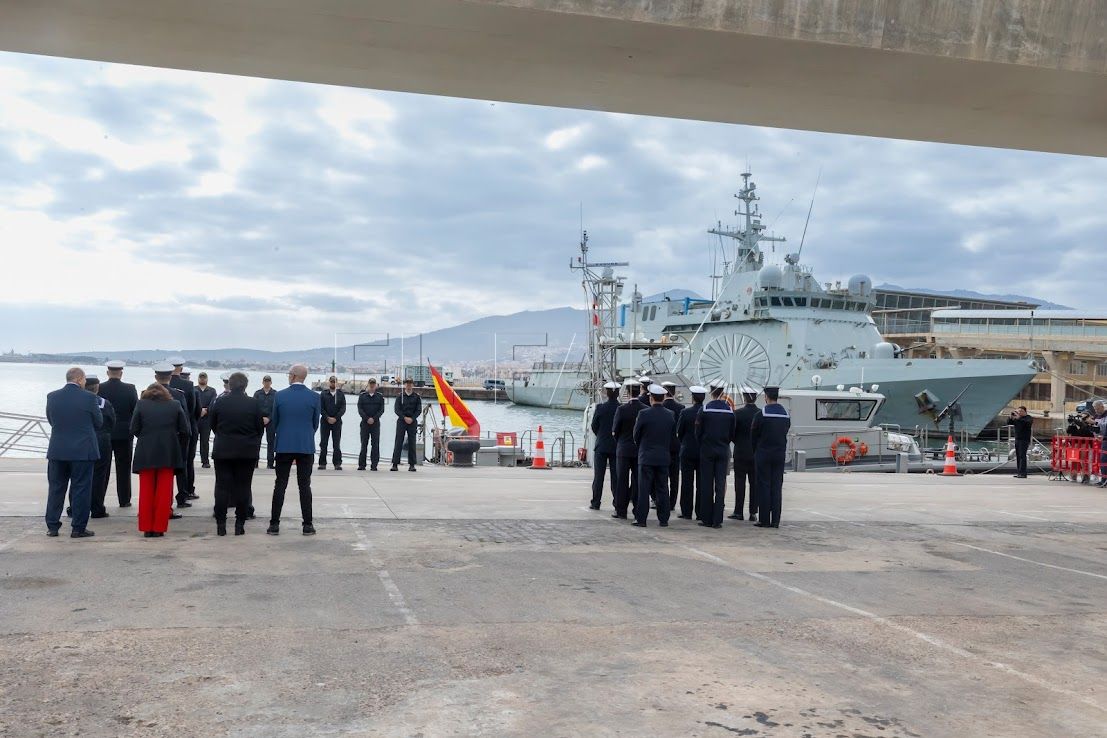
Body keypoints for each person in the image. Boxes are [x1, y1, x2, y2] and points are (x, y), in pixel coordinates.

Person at [45, 367, 103, 538]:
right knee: (81, 489)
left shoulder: (52, 396)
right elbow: (98, 422)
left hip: (58, 450)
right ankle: (78, 528)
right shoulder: (90, 398)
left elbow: (51, 420)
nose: (85, 382)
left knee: (56, 488)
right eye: (84, 379)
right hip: (83, 451)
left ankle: (52, 526)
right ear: (79, 379)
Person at [130, 382, 189, 537]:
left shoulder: (141, 404)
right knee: (164, 492)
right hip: (168, 453)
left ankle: (146, 528)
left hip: (146, 452)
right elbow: (185, 430)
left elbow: (134, 428)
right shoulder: (175, 405)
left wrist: (145, 438)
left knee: (146, 491)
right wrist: (176, 444)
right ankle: (159, 528)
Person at [268, 364, 320, 536]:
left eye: (289, 374)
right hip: (305, 445)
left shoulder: (280, 395)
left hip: (284, 445)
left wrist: (284, 433)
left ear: (293, 376)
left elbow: (275, 421)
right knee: (304, 486)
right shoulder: (314, 397)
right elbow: (315, 423)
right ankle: (307, 525)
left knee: (280, 484)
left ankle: (274, 524)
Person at [210, 372, 264, 536]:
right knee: (243, 487)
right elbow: (259, 428)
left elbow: (213, 424)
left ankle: (221, 524)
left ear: (230, 385)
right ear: (245, 386)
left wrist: (224, 436)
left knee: (222, 487)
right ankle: (240, 524)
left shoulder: (219, 402)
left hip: (223, 449)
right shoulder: (253, 403)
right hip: (246, 451)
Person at [632, 384, 676, 527]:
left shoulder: (643, 414)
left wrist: (642, 447)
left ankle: (641, 519)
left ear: (651, 398)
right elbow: (672, 437)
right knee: (663, 488)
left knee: (644, 489)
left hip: (646, 456)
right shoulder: (670, 415)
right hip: (663, 457)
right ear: (663, 398)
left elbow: (636, 435)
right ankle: (664, 519)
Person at [696, 380, 736, 529]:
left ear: (711, 392)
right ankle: (718, 519)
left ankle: (706, 518)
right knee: (720, 484)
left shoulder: (704, 409)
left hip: (707, 450)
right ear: (722, 393)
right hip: (723, 450)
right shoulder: (729, 411)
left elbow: (698, 432)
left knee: (706, 484)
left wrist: (704, 444)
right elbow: (732, 433)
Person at [97, 359, 137, 507]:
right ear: (121, 373)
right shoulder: (130, 389)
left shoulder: (100, 388)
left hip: (104, 432)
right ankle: (124, 500)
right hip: (124, 433)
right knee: (124, 468)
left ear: (108, 373)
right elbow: (135, 410)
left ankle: (99, 500)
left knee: (102, 469)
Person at [154, 363, 191, 513]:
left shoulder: (146, 394)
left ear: (156, 377)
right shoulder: (178, 395)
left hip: (152, 442)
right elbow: (185, 422)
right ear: (170, 377)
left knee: (154, 477)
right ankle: (177, 500)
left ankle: (155, 504)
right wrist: (183, 443)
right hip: (173, 440)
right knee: (170, 475)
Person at [753, 386, 791, 528]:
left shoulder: (761, 414)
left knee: (764, 485)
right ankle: (775, 520)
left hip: (763, 453)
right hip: (779, 454)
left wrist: (756, 451)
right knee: (776, 486)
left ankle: (764, 519)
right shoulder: (785, 415)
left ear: (766, 397)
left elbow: (753, 435)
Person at [611, 377, 643, 520]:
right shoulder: (645, 409)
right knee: (637, 481)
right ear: (639, 392)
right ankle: (637, 509)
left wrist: (620, 442)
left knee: (621, 481)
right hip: (639, 450)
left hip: (623, 449)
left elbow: (615, 431)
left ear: (628, 393)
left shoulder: (621, 409)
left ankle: (621, 510)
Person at [84, 376, 116, 520]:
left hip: (82, 441)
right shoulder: (104, 403)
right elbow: (111, 422)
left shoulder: (79, 402)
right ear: (97, 388)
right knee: (99, 476)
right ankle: (97, 508)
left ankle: (75, 507)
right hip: (101, 440)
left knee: (79, 475)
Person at [168, 357, 200, 499]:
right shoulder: (188, 385)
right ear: (180, 369)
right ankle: (185, 492)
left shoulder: (160, 385)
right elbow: (193, 409)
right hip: (186, 428)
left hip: (168, 428)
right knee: (186, 462)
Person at [730, 386, 761, 522]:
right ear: (755, 397)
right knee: (754, 483)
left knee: (739, 482)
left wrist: (738, 442)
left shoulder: (737, 413)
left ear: (744, 398)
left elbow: (731, 433)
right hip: (756, 453)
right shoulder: (761, 413)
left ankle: (738, 511)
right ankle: (753, 512)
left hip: (740, 452)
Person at [589, 381, 621, 510]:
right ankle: (617, 503)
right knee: (616, 477)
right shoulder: (621, 408)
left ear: (607, 393)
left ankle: (596, 502)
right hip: (616, 446)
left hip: (601, 445)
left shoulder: (600, 408)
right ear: (618, 393)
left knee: (598, 476)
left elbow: (594, 426)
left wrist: (601, 435)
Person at [675, 386, 705, 520]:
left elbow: (679, 432)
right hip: (702, 451)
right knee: (701, 483)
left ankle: (686, 512)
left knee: (687, 483)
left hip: (687, 450)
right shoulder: (706, 412)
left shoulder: (685, 412)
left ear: (693, 398)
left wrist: (684, 443)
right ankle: (700, 512)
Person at [661, 381, 684, 510]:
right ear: (674, 393)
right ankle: (672, 503)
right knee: (675, 477)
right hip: (676, 446)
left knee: (662, 476)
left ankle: (662, 500)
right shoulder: (681, 408)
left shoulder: (661, 408)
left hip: (662, 446)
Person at [391, 378, 422, 471]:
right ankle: (395, 464)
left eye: (410, 384)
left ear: (412, 385)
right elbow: (397, 409)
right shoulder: (400, 396)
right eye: (407, 384)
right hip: (402, 421)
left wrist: (412, 418)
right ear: (405, 385)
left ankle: (412, 464)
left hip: (412, 421)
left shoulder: (416, 397)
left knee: (412, 443)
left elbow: (418, 410)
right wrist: (404, 417)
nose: (408, 385)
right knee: (398, 442)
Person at [318, 375, 347, 470]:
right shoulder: (323, 394)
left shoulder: (341, 394)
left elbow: (343, 408)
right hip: (325, 422)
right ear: (329, 382)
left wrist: (335, 418)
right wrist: (327, 417)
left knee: (336, 443)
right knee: (323, 443)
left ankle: (337, 463)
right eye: (331, 381)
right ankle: (322, 463)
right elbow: (320, 407)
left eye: (334, 382)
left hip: (337, 422)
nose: (333, 383)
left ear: (336, 383)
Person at [357, 378, 385, 471]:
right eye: (370, 384)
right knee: (364, 444)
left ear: (375, 385)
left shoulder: (379, 397)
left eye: (373, 384)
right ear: (368, 384)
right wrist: (367, 418)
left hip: (375, 423)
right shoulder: (362, 396)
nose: (372, 385)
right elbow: (360, 409)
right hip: (365, 423)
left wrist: (374, 418)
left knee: (375, 445)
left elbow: (381, 410)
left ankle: (374, 465)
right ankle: (362, 465)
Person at [253, 375, 278, 469]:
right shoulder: (257, 393)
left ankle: (270, 463)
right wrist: (260, 418)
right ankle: (255, 462)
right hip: (259, 420)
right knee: (256, 441)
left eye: (268, 381)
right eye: (265, 381)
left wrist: (269, 418)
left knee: (271, 442)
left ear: (271, 382)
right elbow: (254, 406)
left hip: (271, 420)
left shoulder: (275, 394)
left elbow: (276, 408)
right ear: (263, 382)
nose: (267, 383)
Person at [195, 372, 218, 468]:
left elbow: (213, 403)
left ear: (207, 379)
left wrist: (206, 410)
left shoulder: (212, 391)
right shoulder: (193, 389)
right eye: (201, 378)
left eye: (204, 378)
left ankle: (205, 461)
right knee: (193, 441)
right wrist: (199, 410)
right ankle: (190, 460)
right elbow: (191, 402)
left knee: (205, 441)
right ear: (198, 379)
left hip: (206, 420)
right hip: (195, 418)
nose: (202, 379)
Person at [1009, 405, 1034, 479]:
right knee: (1018, 455)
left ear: (1025, 412)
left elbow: (1027, 423)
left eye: (1021, 411)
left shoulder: (1028, 418)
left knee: (1022, 455)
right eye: (1018, 411)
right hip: (1017, 439)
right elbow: (1009, 422)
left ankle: (1023, 473)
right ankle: (1019, 472)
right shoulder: (1017, 418)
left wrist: (1018, 418)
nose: (1019, 412)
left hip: (1024, 439)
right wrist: (1011, 417)